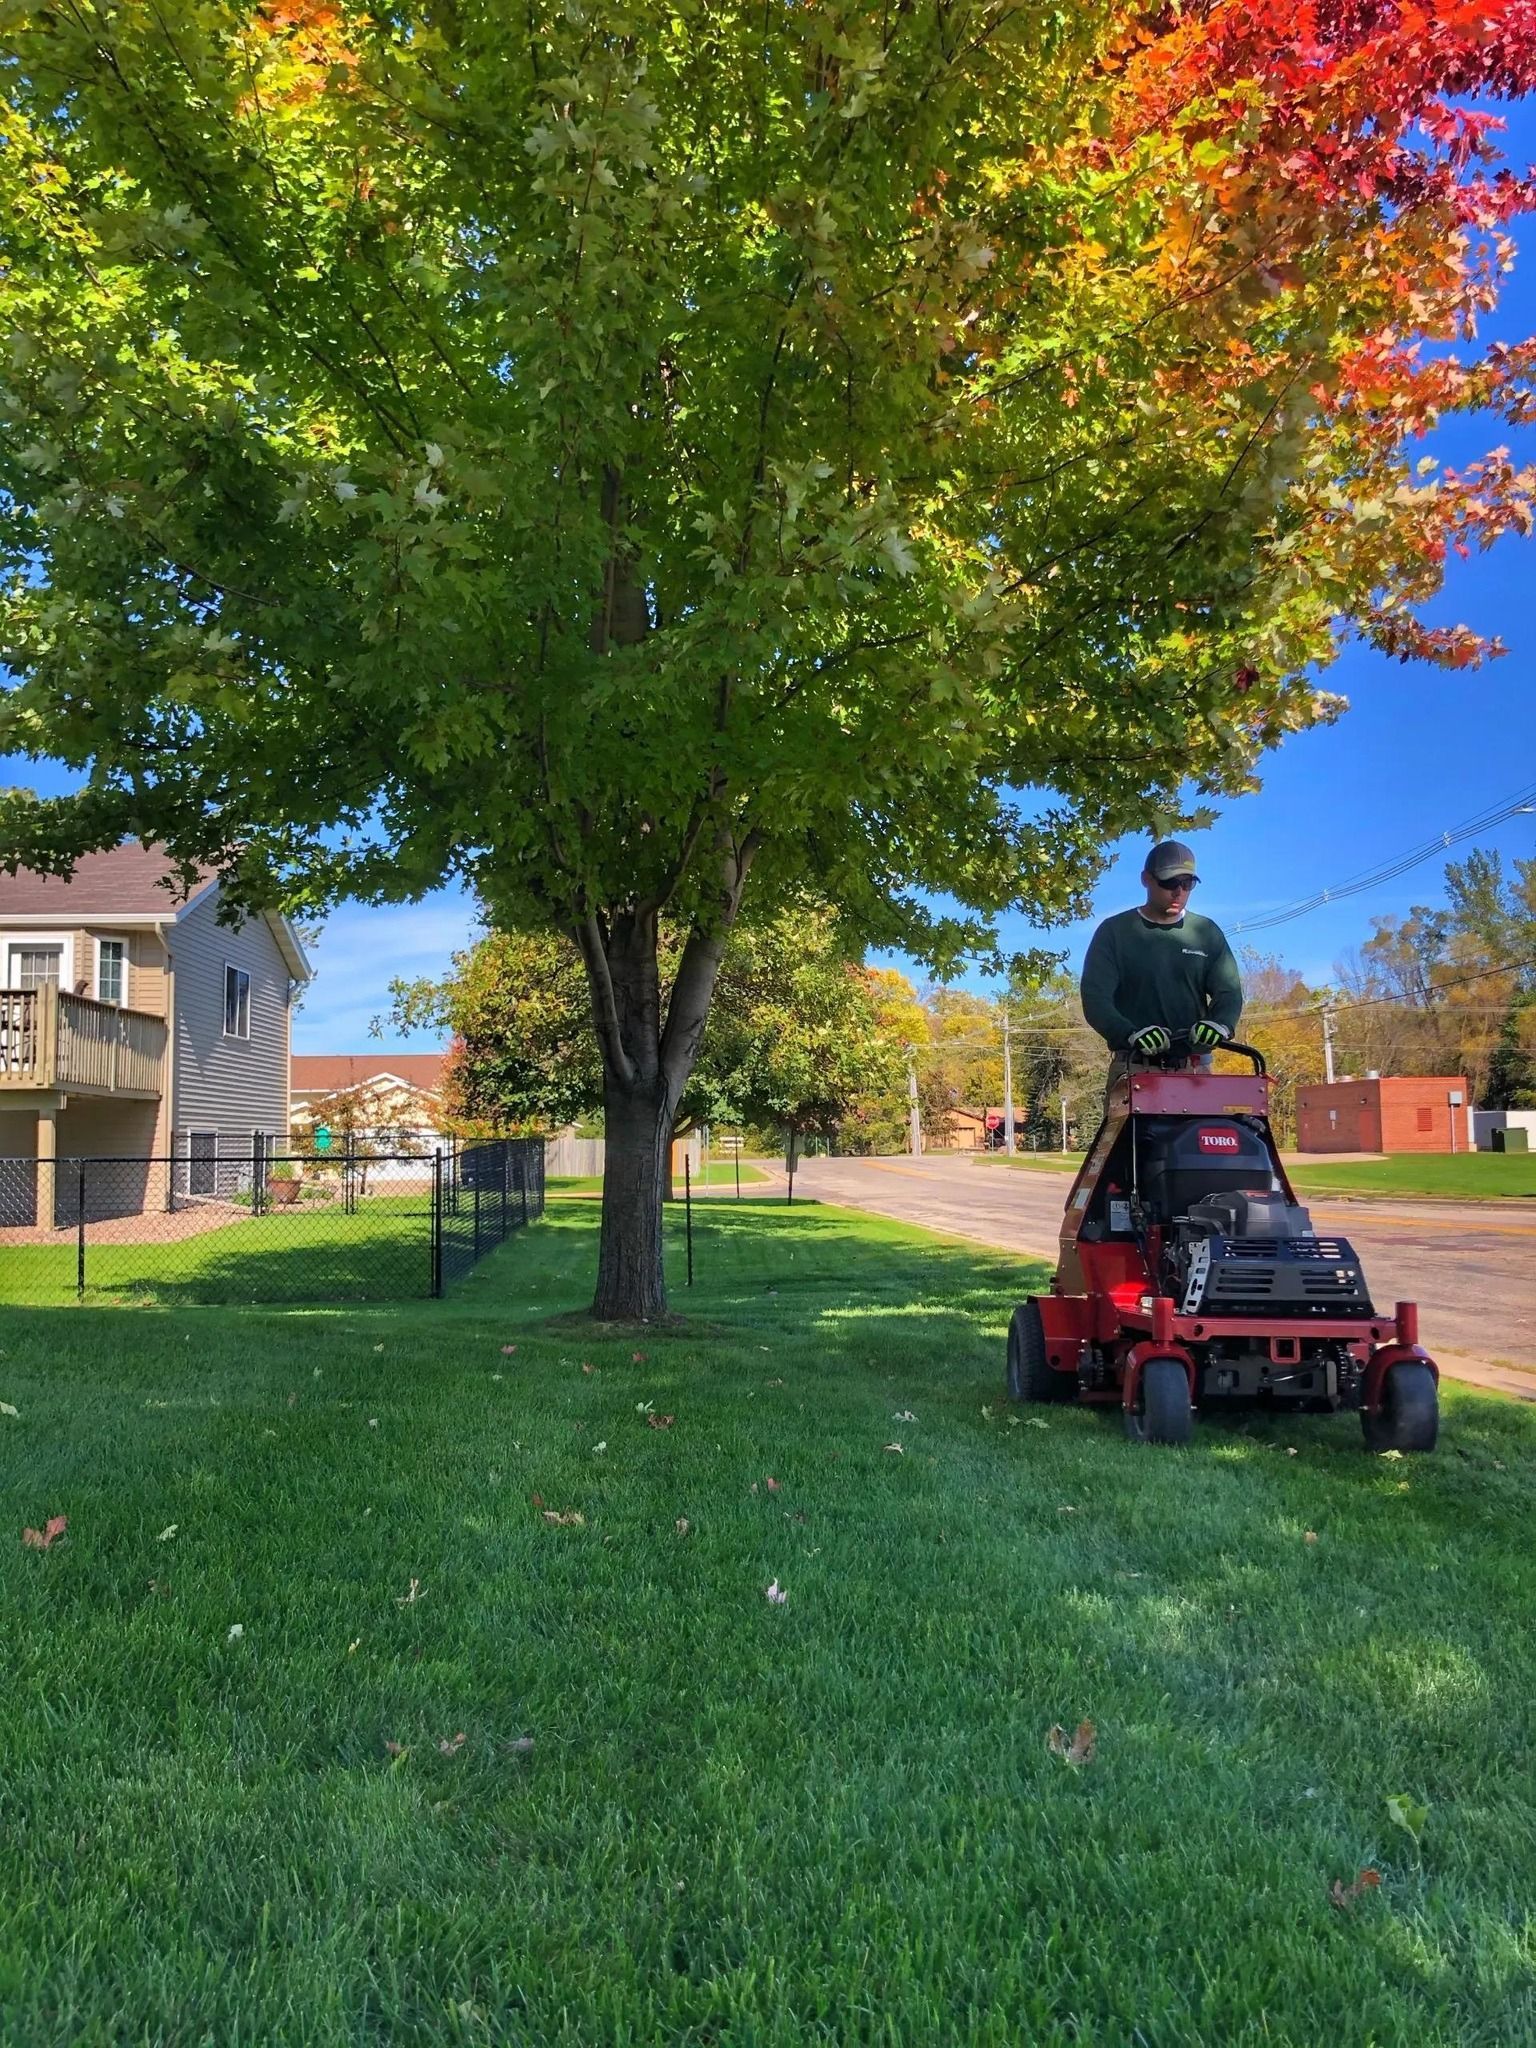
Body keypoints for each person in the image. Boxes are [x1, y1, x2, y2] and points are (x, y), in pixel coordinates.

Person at [1080, 840, 1242, 1110]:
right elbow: (1096, 1001)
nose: (1178, 892)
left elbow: (1229, 991)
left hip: (1195, 1072)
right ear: (1146, 879)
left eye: (1187, 884)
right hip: (1134, 1069)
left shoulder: (1206, 933)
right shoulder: (1115, 932)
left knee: (1198, 1149)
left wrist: (1220, 1024)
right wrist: (1130, 1033)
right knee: (1132, 1152)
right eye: (1169, 883)